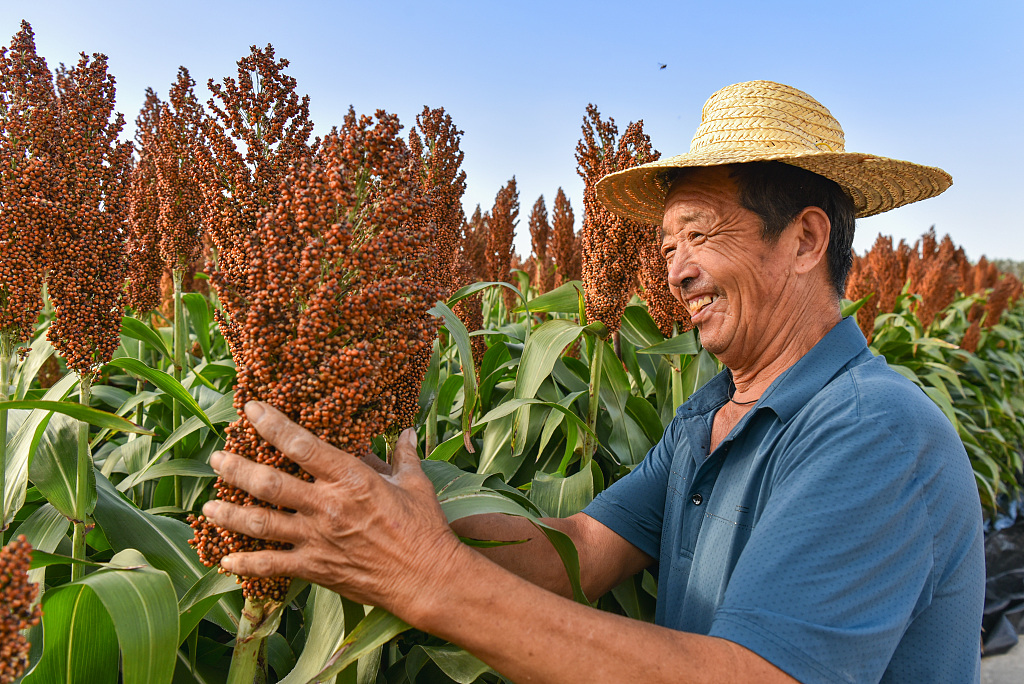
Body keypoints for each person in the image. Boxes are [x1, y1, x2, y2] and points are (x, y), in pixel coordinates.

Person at [200, 81, 985, 683]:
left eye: (699, 235)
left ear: (807, 238)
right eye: (666, 243)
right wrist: (391, 516)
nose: (674, 271)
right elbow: (576, 550)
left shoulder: (874, 431)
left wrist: (425, 574)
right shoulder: (709, 416)